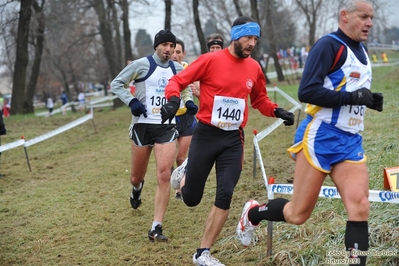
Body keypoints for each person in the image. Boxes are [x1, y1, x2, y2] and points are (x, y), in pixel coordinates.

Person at [236, 1, 383, 266]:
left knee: (360, 206)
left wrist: (369, 100)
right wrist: (352, 97)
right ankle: (253, 213)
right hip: (321, 137)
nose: (369, 23)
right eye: (364, 17)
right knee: (297, 214)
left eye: (371, 17)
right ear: (345, 15)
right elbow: (307, 92)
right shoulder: (328, 45)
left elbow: (348, 89)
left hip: (350, 141)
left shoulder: (362, 49)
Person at [161, 16, 295, 265]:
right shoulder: (211, 60)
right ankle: (186, 170)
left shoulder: (254, 67)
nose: (252, 43)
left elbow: (259, 100)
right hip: (206, 134)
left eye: (255, 39)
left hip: (233, 139)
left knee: (225, 195)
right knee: (191, 199)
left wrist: (277, 111)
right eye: (248, 38)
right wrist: (171, 100)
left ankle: (203, 253)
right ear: (236, 36)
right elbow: (178, 80)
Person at [110, 29, 197, 242]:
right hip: (142, 127)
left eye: (171, 46)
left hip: (165, 127)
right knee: (136, 176)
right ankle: (137, 189)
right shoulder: (141, 65)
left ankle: (156, 227)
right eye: (165, 45)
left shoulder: (177, 68)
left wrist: (188, 102)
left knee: (164, 174)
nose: (168, 50)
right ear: (156, 46)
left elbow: (184, 88)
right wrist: (132, 102)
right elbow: (116, 84)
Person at [170, 38, 198, 200]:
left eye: (178, 52)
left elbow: (200, 88)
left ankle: (180, 188)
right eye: (173, 52)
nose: (174, 55)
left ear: (183, 54)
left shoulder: (190, 69)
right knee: (168, 157)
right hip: (170, 118)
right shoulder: (164, 69)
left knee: (182, 156)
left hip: (187, 118)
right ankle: (172, 176)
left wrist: (195, 90)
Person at [191, 33, 224, 98]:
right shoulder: (202, 64)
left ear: (222, 49)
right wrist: (199, 93)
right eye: (212, 47)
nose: (215, 50)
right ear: (209, 49)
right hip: (208, 104)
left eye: (218, 47)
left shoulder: (228, 64)